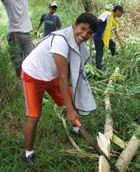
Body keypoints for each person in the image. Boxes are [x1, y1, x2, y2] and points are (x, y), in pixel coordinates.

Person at [21, 12, 99, 165]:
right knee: (34, 116)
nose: (84, 35)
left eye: (89, 33)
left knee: (69, 100)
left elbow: (69, 72)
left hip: (52, 75)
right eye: (82, 29)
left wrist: (70, 102)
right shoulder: (61, 40)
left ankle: (76, 128)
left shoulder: (77, 43)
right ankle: (28, 153)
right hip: (33, 75)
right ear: (75, 24)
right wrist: (69, 110)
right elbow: (63, 77)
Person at [0, 0, 34, 77]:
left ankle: (31, 82)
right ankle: (21, 84)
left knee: (32, 59)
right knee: (17, 63)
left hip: (26, 35)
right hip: (13, 35)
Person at [93, 5, 126, 70]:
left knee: (112, 45)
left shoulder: (115, 21)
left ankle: (116, 59)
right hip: (98, 36)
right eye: (121, 12)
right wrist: (92, 31)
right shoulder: (107, 14)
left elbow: (117, 33)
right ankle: (98, 68)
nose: (122, 14)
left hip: (106, 38)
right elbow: (97, 20)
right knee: (99, 52)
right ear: (117, 11)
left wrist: (121, 43)